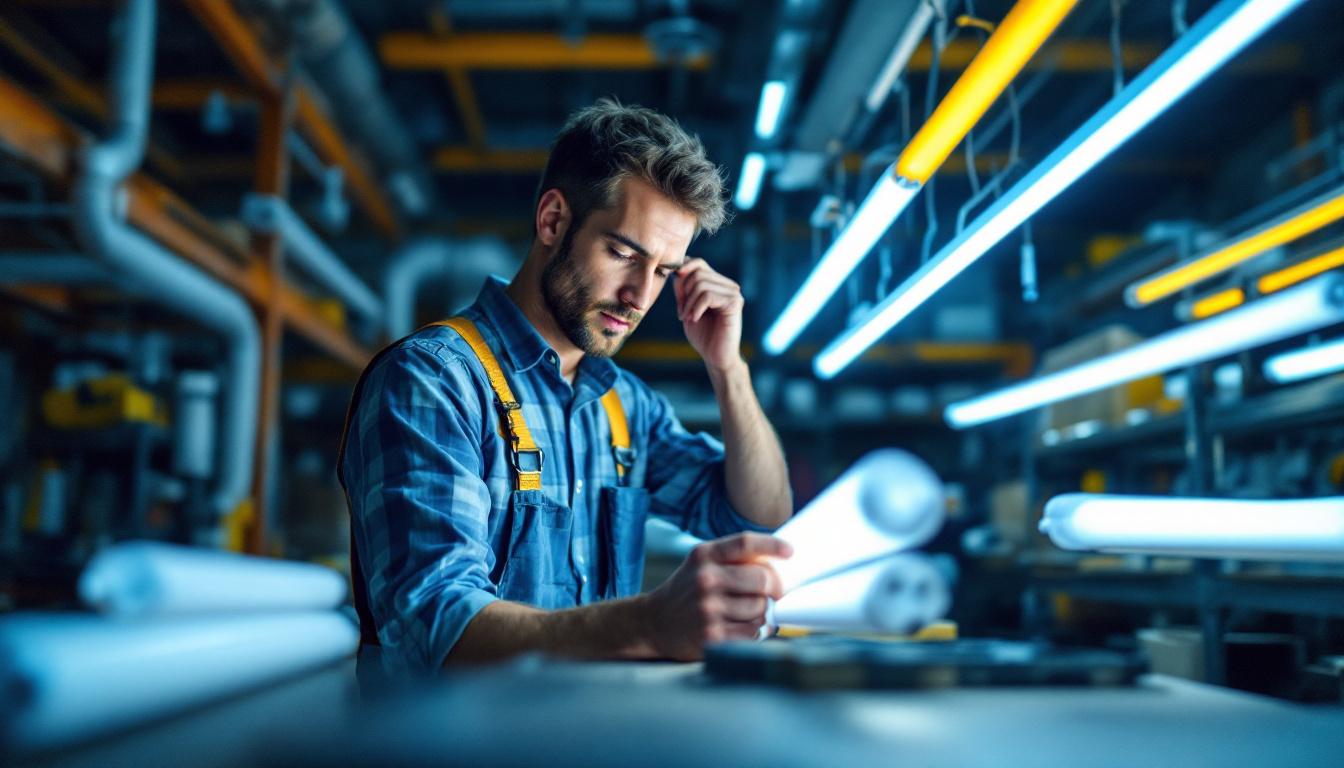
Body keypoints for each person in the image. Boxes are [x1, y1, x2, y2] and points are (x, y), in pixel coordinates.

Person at [339, 99, 793, 673]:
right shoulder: (433, 380)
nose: (640, 296)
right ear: (553, 221)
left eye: (664, 272)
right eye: (625, 253)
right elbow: (437, 623)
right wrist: (650, 623)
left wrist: (730, 370)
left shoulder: (625, 407)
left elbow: (758, 520)